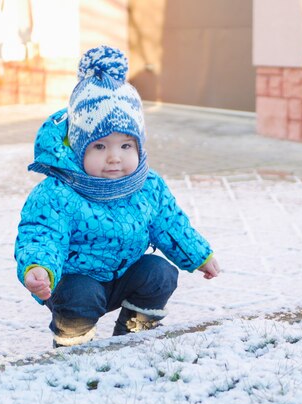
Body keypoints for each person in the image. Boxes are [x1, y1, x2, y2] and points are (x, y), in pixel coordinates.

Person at [15, 45, 220, 347]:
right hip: (76, 281)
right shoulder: (57, 192)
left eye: (125, 146)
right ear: (78, 147)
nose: (114, 158)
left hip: (124, 275)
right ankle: (75, 341)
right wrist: (38, 268)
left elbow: (171, 224)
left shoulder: (147, 185)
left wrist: (200, 255)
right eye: (99, 146)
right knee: (81, 296)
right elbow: (41, 235)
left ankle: (134, 331)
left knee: (161, 272)